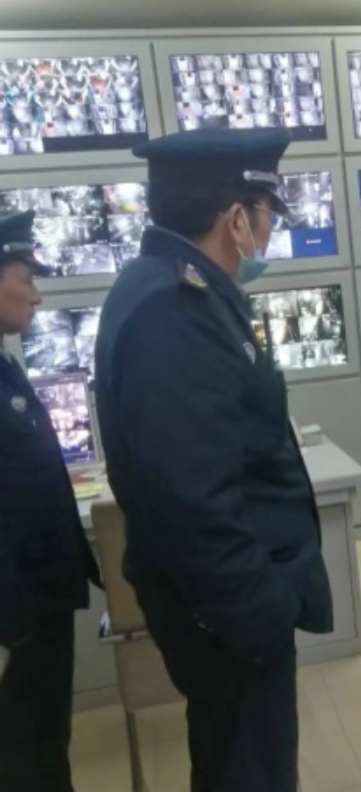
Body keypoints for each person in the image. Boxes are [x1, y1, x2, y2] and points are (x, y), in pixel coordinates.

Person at [94, 127, 333, 792]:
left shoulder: (168, 289)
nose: (268, 233)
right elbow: (192, 498)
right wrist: (259, 613)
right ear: (235, 219)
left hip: (217, 607)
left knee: (232, 761)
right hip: (226, 616)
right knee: (249, 771)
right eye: (266, 216)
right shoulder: (174, 309)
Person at [0, 210, 101, 791]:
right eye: (26, 279)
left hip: (38, 604)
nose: (36, 296)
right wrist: (14, 624)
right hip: (18, 616)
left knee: (45, 747)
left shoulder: (5, 365)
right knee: (26, 757)